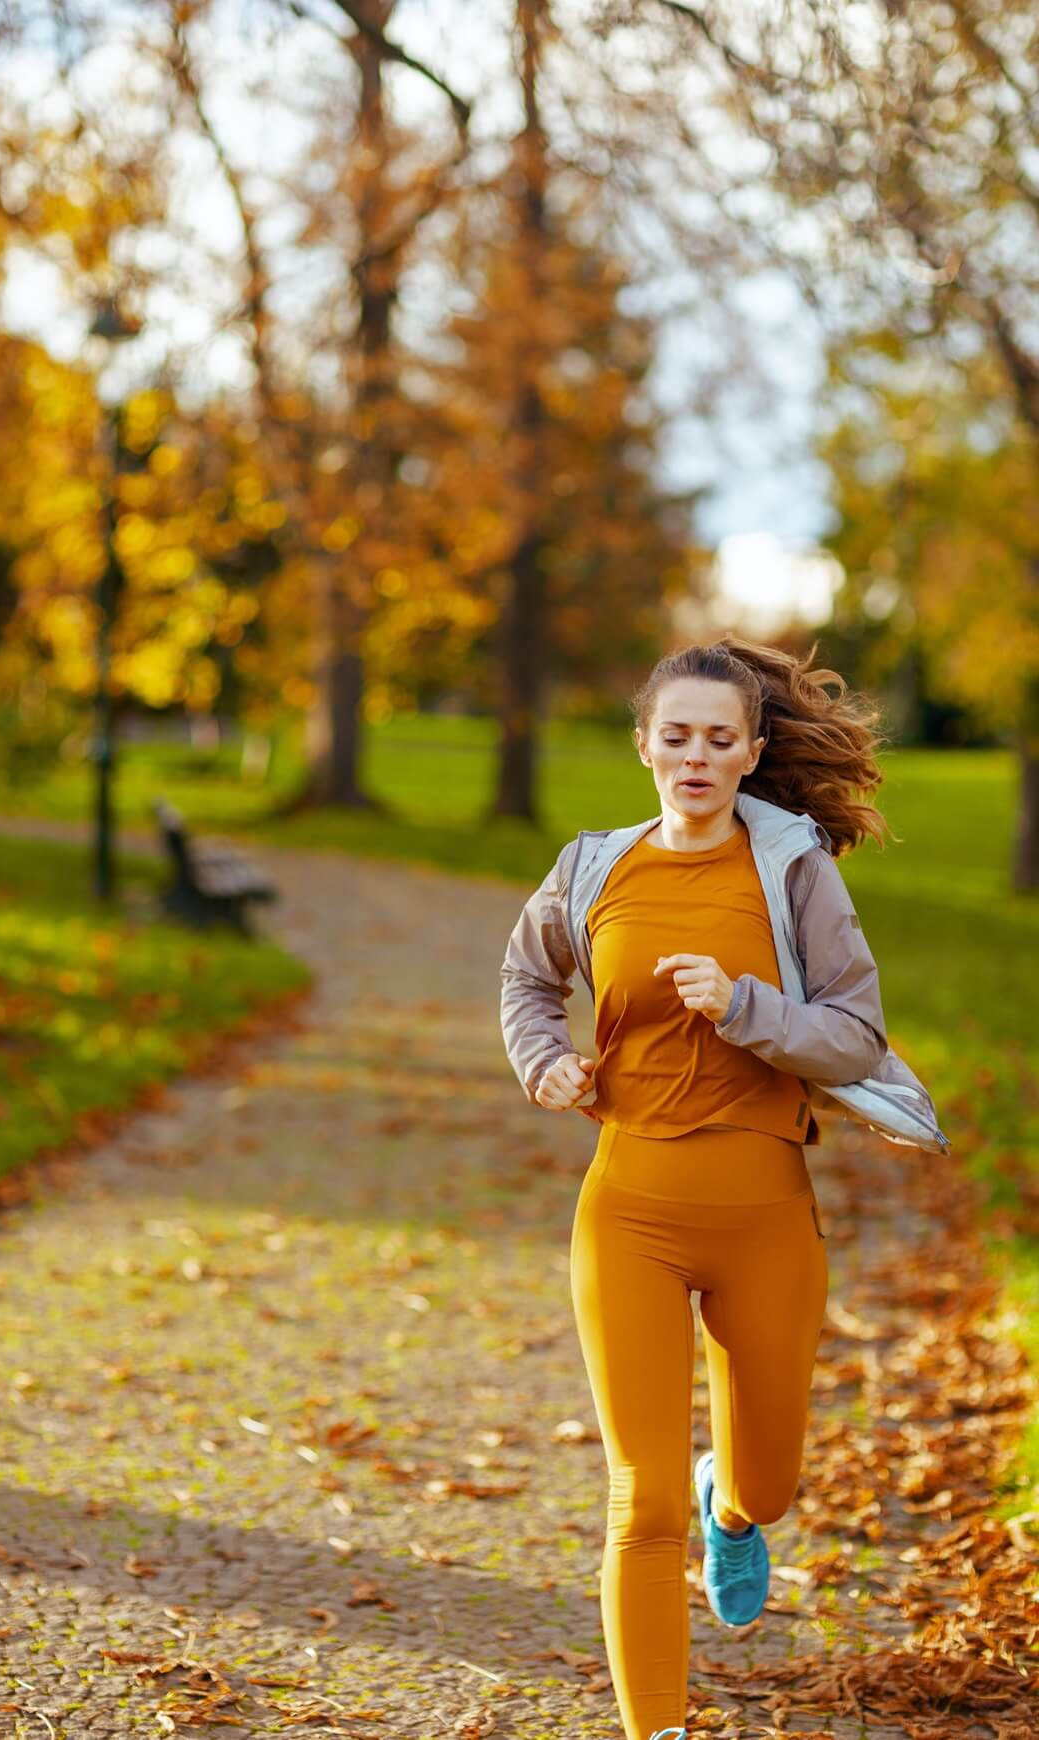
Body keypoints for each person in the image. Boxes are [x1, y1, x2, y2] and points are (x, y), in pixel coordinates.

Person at [498, 635, 947, 1740]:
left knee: (770, 1483)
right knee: (635, 1500)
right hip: (628, 1213)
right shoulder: (592, 868)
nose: (693, 756)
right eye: (675, 736)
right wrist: (543, 1059)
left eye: (717, 738)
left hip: (763, 1217)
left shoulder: (794, 870)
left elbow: (853, 1036)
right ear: (644, 745)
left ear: (748, 752)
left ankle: (731, 1508)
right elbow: (525, 976)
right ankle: (657, 1727)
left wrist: (746, 1005)